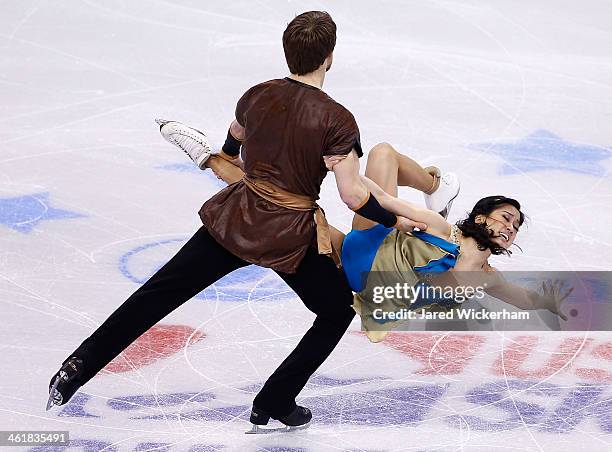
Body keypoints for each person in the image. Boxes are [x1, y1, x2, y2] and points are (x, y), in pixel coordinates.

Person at [47, 11, 458, 432]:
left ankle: (77, 368)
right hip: (290, 238)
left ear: (287, 52)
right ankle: (276, 398)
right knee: (336, 312)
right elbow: (353, 195)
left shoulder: (258, 94)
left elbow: (236, 134)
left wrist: (224, 154)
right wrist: (395, 220)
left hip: (235, 218)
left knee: (157, 294)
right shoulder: (337, 120)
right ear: (329, 58)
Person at [175, 139, 572, 343]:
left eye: (516, 226)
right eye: (506, 218)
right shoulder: (437, 225)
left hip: (360, 277)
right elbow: (383, 199)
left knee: (290, 211)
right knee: (379, 155)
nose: (510, 228)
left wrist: (554, 303)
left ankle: (213, 161)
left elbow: (525, 300)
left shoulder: (488, 277)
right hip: (366, 242)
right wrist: (342, 169)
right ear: (482, 217)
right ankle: (210, 158)